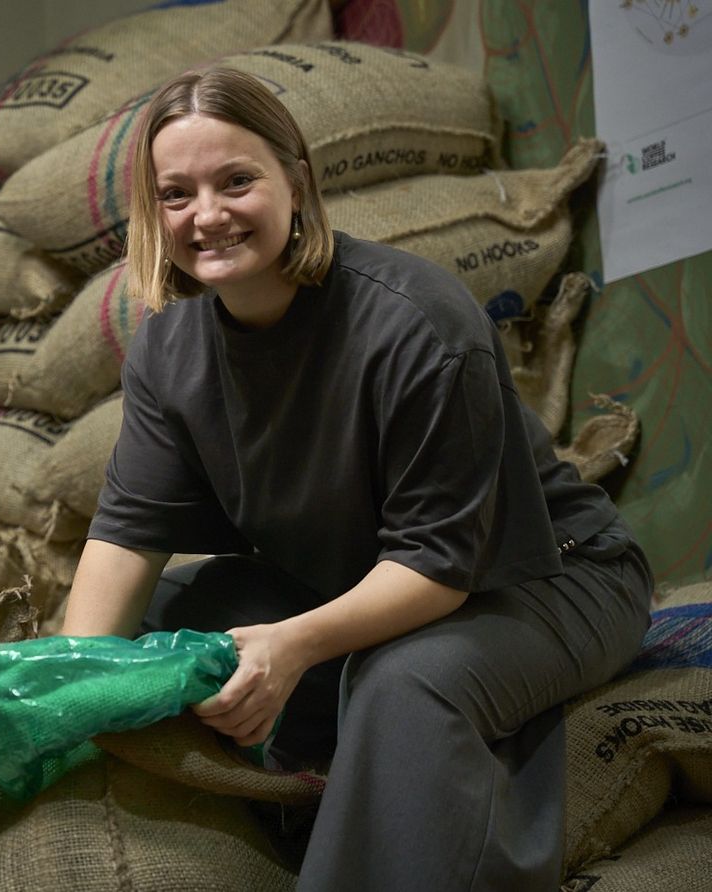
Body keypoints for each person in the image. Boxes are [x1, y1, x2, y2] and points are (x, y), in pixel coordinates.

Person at [58, 66, 654, 891]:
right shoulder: (169, 349)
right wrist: (66, 687)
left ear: (297, 183)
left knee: (400, 680)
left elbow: (439, 564)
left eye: (237, 182)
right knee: (161, 622)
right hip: (365, 579)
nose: (208, 215)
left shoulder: (417, 323)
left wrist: (294, 645)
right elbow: (129, 535)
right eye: (177, 195)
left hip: (548, 576)